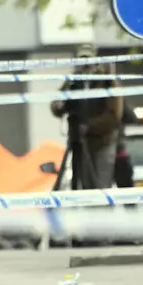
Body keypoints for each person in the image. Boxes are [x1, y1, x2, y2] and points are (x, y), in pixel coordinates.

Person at [50, 49, 122, 191]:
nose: (85, 66)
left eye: (88, 62)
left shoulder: (107, 82)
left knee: (99, 186)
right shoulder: (72, 82)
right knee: (79, 185)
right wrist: (60, 103)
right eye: (81, 62)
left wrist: (89, 126)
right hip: (77, 141)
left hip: (101, 143)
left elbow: (114, 116)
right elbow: (56, 105)